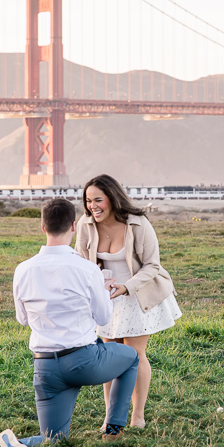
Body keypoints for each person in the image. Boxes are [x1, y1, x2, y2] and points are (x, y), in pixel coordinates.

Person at [0, 198, 140, 447]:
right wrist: (103, 293)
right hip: (83, 362)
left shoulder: (23, 270)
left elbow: (23, 319)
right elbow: (103, 317)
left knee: (54, 439)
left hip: (45, 368)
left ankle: (21, 443)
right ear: (73, 227)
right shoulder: (86, 269)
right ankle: (113, 429)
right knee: (131, 358)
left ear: (42, 227)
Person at [75, 174, 181, 430]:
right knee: (109, 356)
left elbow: (152, 265)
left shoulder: (138, 223)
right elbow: (80, 260)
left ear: (112, 198)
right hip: (106, 297)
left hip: (137, 292)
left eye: (98, 200)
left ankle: (137, 416)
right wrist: (97, 283)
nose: (92, 206)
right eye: (88, 201)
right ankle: (111, 417)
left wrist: (126, 287)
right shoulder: (85, 224)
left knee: (134, 354)